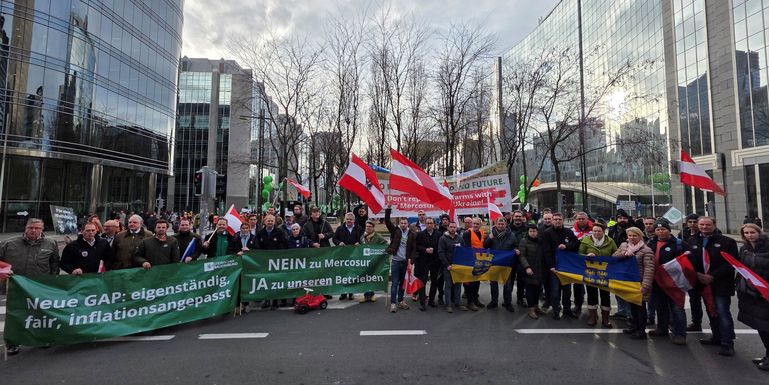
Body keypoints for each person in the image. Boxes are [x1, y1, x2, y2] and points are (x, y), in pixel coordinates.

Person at [0, 218, 60, 356]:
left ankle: (42, 339)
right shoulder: (9, 243)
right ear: (26, 228)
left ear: (42, 229)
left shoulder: (51, 243)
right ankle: (12, 343)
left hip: (39, 287)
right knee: (14, 315)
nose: (34, 230)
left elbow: (54, 265)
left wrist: (52, 283)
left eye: (37, 228)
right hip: (15, 287)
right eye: (31, 228)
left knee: (40, 315)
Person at [689, 216, 739, 357]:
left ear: (714, 225)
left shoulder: (727, 242)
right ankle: (716, 337)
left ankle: (727, 343)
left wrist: (713, 276)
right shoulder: (693, 241)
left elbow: (732, 263)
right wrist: (697, 274)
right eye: (702, 225)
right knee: (711, 311)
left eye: (708, 225)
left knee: (722, 312)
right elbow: (690, 261)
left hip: (720, 284)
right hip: (702, 283)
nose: (704, 227)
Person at [647, 220, 689, 345]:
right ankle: (662, 328)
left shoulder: (679, 244)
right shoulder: (651, 243)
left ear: (669, 230)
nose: (661, 232)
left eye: (663, 229)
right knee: (660, 306)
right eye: (658, 230)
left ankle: (680, 333)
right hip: (657, 281)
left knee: (677, 308)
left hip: (674, 282)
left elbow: (688, 261)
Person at [736, 223, 769, 370]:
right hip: (751, 293)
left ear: (759, 232)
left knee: (767, 327)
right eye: (747, 233)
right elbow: (742, 269)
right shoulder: (745, 249)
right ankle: (767, 356)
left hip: (766, 293)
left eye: (752, 232)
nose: (750, 235)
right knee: (760, 327)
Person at [613, 227, 655, 339]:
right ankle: (634, 326)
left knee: (640, 308)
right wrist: (624, 254)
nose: (631, 238)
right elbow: (614, 257)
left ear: (640, 236)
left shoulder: (646, 250)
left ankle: (641, 330)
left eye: (634, 235)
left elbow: (649, 269)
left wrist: (645, 285)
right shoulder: (624, 246)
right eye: (630, 235)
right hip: (628, 282)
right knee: (632, 306)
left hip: (639, 283)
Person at [542, 212, 580, 320]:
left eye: (559, 219)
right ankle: (556, 310)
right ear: (552, 221)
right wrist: (551, 266)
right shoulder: (547, 233)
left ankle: (567, 309)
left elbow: (576, 244)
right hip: (554, 267)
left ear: (563, 220)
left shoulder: (568, 232)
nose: (557, 221)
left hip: (566, 267)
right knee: (555, 291)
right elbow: (546, 251)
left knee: (567, 290)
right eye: (556, 219)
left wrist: (566, 246)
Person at [579, 222, 617, 328]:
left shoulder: (610, 241)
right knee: (592, 294)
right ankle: (592, 316)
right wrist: (586, 255)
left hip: (605, 273)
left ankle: (605, 318)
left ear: (603, 231)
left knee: (605, 295)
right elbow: (579, 254)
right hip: (590, 273)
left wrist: (613, 256)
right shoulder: (585, 241)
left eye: (599, 231)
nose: (596, 233)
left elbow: (616, 253)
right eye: (594, 230)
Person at [385, 206, 416, 313]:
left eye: (405, 223)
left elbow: (413, 249)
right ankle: (393, 303)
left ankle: (400, 301)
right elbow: (387, 221)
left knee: (403, 283)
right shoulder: (395, 231)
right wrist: (388, 210)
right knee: (394, 283)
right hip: (396, 262)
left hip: (405, 262)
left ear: (408, 224)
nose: (403, 225)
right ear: (399, 224)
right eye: (401, 223)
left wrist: (411, 261)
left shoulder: (412, 234)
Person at [484, 217, 518, 312]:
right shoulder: (491, 234)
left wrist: (515, 249)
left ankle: (508, 303)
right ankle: (494, 301)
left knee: (507, 284)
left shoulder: (511, 235)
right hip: (494, 263)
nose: (500, 226)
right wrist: (489, 239)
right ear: (496, 224)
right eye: (499, 224)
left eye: (502, 224)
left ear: (506, 224)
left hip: (506, 263)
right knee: (493, 283)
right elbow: (485, 246)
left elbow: (515, 245)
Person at [257, 214, 289, 309]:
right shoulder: (260, 233)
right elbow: (257, 245)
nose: (270, 222)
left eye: (272, 220)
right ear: (265, 222)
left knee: (276, 281)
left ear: (274, 222)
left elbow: (284, 244)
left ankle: (275, 301)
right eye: (268, 220)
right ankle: (266, 300)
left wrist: (276, 253)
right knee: (266, 281)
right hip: (265, 261)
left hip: (276, 260)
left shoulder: (279, 232)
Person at [608, 211, 633, 321]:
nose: (622, 220)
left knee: (629, 289)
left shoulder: (633, 228)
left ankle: (631, 313)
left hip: (629, 262)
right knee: (617, 287)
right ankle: (622, 311)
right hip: (616, 261)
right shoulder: (612, 229)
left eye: (624, 218)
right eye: (620, 218)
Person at [518, 224, 547, 319]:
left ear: (537, 232)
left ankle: (536, 306)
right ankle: (531, 310)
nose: (533, 233)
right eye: (531, 231)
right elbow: (522, 256)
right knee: (530, 290)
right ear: (528, 232)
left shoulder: (540, 241)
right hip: (529, 270)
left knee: (538, 290)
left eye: (534, 231)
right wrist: (527, 267)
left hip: (540, 270)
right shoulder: (524, 241)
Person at [333, 212, 363, 300]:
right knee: (343, 274)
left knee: (352, 274)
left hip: (355, 255)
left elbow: (363, 239)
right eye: (347, 219)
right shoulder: (340, 228)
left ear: (354, 220)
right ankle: (343, 292)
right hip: (343, 255)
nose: (349, 221)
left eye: (350, 219)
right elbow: (334, 238)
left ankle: (351, 292)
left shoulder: (359, 228)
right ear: (345, 219)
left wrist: (360, 243)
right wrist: (339, 243)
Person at [414, 217, 442, 311]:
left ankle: (431, 301)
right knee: (423, 282)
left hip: (435, 262)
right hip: (424, 261)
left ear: (434, 224)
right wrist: (425, 250)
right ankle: (422, 303)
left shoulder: (439, 234)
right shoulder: (421, 234)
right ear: (425, 224)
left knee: (434, 282)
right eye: (428, 223)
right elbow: (417, 246)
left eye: (431, 223)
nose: (429, 225)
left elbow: (441, 247)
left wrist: (435, 251)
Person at [461, 217, 487, 311]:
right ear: (472, 224)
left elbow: (484, 245)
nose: (475, 225)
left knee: (477, 281)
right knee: (469, 282)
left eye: (477, 224)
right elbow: (466, 248)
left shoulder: (482, 233)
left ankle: (476, 299)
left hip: (479, 261)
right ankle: (470, 302)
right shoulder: (467, 233)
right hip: (469, 261)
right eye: (474, 224)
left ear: (480, 225)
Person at [359, 219, 388, 303]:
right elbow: (361, 247)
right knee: (365, 278)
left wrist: (379, 251)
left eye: (370, 226)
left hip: (374, 261)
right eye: (366, 226)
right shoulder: (362, 237)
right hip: (365, 261)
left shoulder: (378, 237)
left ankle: (371, 295)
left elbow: (386, 244)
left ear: (373, 227)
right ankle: (366, 295)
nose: (368, 228)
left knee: (372, 278)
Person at [570, 212, 593, 314]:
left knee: (591, 284)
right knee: (577, 284)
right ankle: (578, 304)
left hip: (591, 262)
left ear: (587, 219)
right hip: (577, 261)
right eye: (579, 219)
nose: (581, 220)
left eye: (583, 219)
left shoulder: (594, 231)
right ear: (576, 220)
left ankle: (592, 307)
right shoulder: (572, 231)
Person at [438, 221, 463, 312]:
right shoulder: (443, 239)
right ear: (448, 228)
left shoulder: (460, 238)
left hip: (458, 267)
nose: (452, 228)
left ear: (456, 228)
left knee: (458, 285)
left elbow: (463, 251)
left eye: (454, 227)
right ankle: (448, 304)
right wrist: (447, 265)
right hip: (448, 266)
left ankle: (458, 303)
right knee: (448, 285)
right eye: (451, 227)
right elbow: (441, 253)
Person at [509, 211, 528, 307]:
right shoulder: (507, 228)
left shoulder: (527, 228)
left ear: (522, 218)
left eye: (519, 216)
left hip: (522, 257)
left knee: (521, 280)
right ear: (513, 217)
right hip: (510, 257)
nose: (518, 218)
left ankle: (520, 299)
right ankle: (507, 299)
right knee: (509, 279)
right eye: (516, 216)